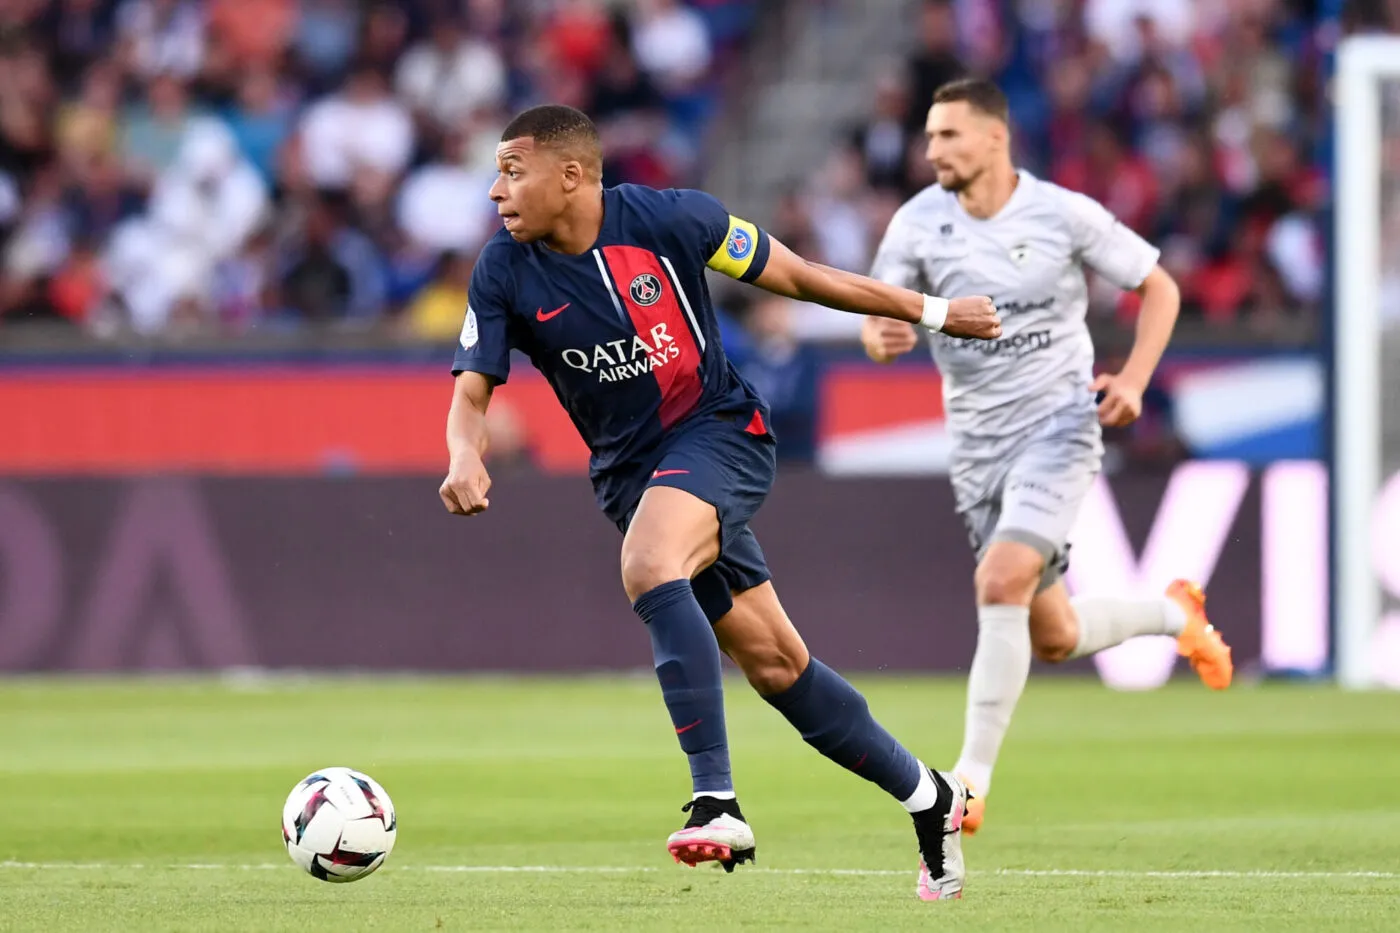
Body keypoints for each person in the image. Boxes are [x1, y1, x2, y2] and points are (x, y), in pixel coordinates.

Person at [440, 104, 1001, 900]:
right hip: (634, 479)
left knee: (648, 560)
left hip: (719, 433)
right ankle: (931, 797)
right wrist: (464, 451)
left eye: (511, 169)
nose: (496, 190)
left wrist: (934, 311)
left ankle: (717, 800)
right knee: (777, 665)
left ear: (571, 175)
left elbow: (804, 277)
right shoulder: (503, 268)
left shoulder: (676, 218)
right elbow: (472, 391)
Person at [861, 79, 1234, 836]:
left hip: (1060, 426)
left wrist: (1132, 379)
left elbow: (1159, 287)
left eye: (949, 136)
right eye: (929, 137)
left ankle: (968, 781)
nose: (932, 150)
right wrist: (883, 337)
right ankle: (1174, 612)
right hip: (975, 450)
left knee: (999, 577)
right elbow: (877, 318)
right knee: (1053, 635)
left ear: (995, 138)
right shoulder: (916, 224)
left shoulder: (1062, 213)